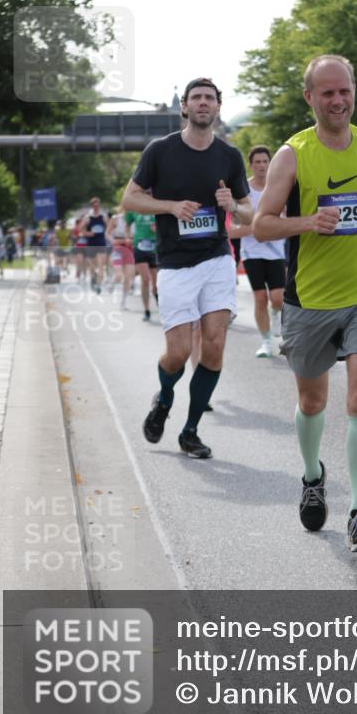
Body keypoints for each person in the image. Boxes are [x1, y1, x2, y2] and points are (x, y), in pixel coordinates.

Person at [254, 55, 357, 552]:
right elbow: (262, 224)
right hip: (309, 300)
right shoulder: (292, 155)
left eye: (345, 91)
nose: (338, 101)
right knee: (312, 401)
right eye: (327, 94)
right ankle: (312, 474)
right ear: (310, 98)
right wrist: (306, 223)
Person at [122, 76, 252, 459]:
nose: (202, 103)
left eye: (209, 98)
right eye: (195, 98)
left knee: (213, 347)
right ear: (185, 107)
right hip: (175, 264)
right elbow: (130, 198)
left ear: (217, 107)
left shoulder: (229, 156)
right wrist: (170, 206)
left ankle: (191, 430)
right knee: (178, 352)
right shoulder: (160, 150)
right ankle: (164, 399)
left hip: (216, 259)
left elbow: (250, 210)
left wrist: (233, 207)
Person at [228, 145, 286, 358]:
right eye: (257, 162)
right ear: (251, 165)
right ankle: (266, 341)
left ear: (270, 164)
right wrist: (258, 228)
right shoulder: (243, 192)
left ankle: (277, 314)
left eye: (265, 161)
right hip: (251, 253)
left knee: (278, 298)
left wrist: (270, 227)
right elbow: (232, 230)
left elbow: (285, 221)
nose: (262, 166)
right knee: (260, 297)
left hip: (276, 251)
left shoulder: (279, 187)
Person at [125, 209, 159, 321]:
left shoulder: (157, 204)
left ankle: (156, 294)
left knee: (156, 283)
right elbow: (127, 224)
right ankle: (146, 310)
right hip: (139, 246)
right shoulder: (134, 208)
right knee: (145, 279)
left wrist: (157, 229)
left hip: (155, 247)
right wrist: (128, 237)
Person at [106, 207, 135, 308]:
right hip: (118, 248)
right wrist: (112, 240)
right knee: (119, 274)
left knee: (127, 278)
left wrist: (133, 240)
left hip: (130, 249)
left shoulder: (136, 218)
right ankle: (112, 284)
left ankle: (123, 301)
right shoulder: (116, 218)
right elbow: (107, 233)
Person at [81, 197, 108, 293]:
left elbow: (109, 227)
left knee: (101, 266)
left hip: (101, 243)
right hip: (91, 244)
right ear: (92, 206)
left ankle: (98, 285)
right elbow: (81, 229)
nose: (96, 207)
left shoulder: (103, 216)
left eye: (98, 205)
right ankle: (93, 279)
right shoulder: (88, 217)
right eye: (94, 205)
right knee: (92, 266)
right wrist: (88, 233)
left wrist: (107, 234)